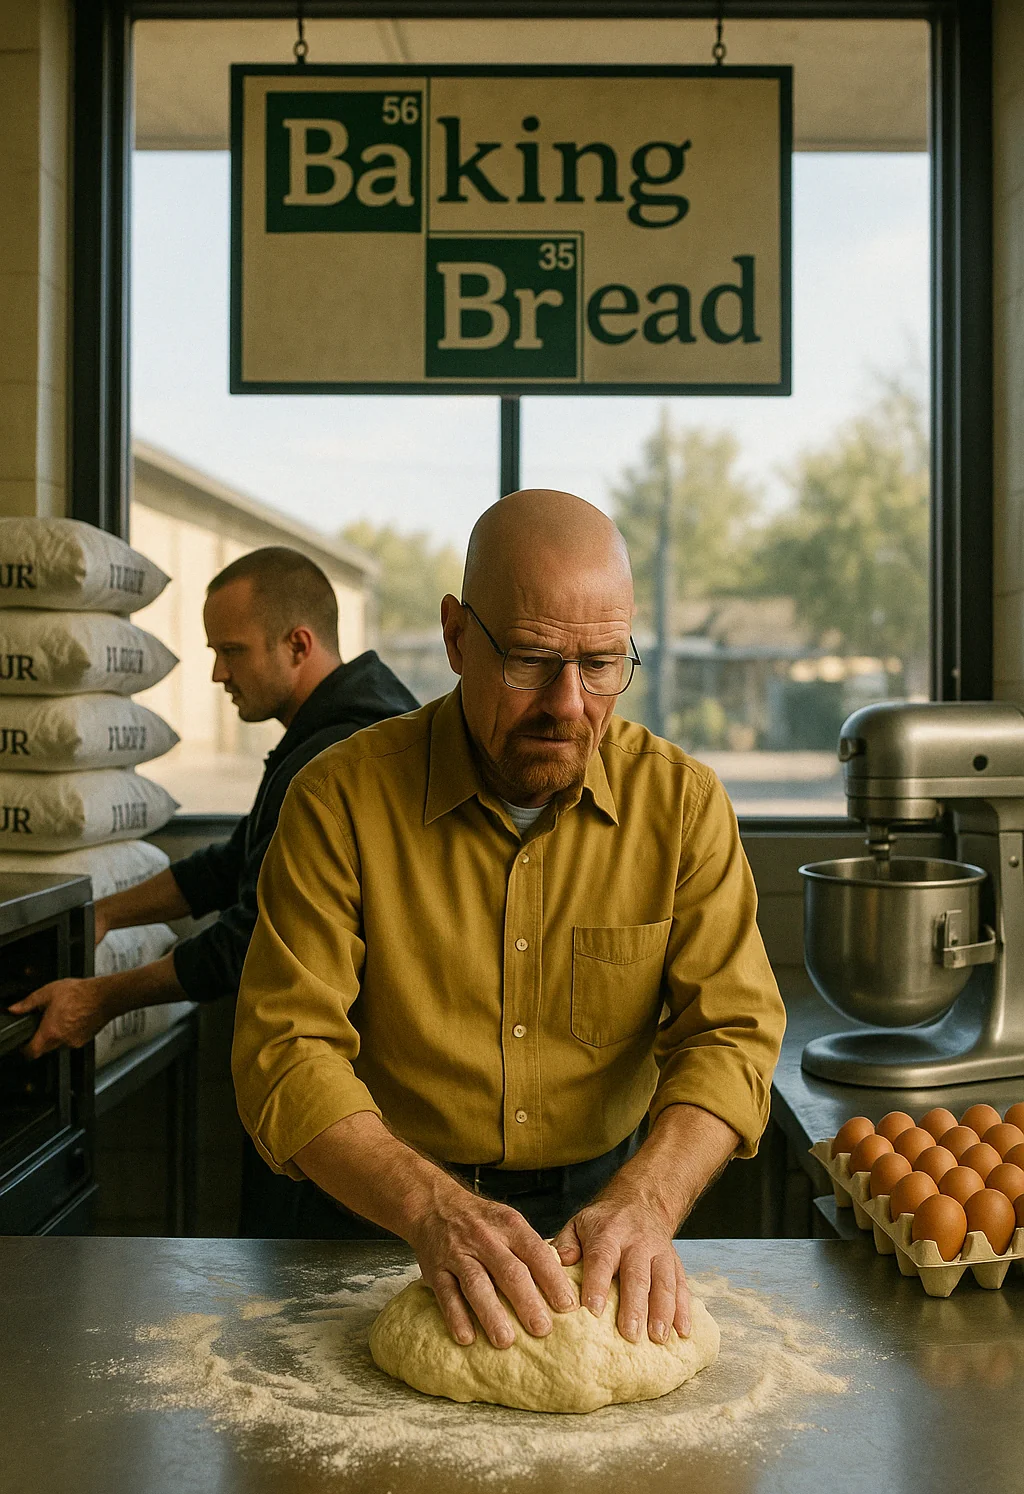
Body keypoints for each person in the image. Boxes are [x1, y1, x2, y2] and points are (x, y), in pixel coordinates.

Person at [233, 492, 786, 1351]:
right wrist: (429, 1206)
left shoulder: (681, 807)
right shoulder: (338, 801)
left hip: (603, 1215)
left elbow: (734, 1034)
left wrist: (646, 1203)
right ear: (457, 637)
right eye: (531, 659)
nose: (568, 703)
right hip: (379, 1212)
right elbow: (285, 1048)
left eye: (601, 664)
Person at [14, 546, 418, 1231]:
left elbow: (250, 938)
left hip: (347, 1079)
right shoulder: (325, 730)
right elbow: (236, 863)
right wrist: (105, 911)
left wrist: (100, 998)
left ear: (298, 644)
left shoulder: (342, 753)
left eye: (231, 650)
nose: (216, 672)